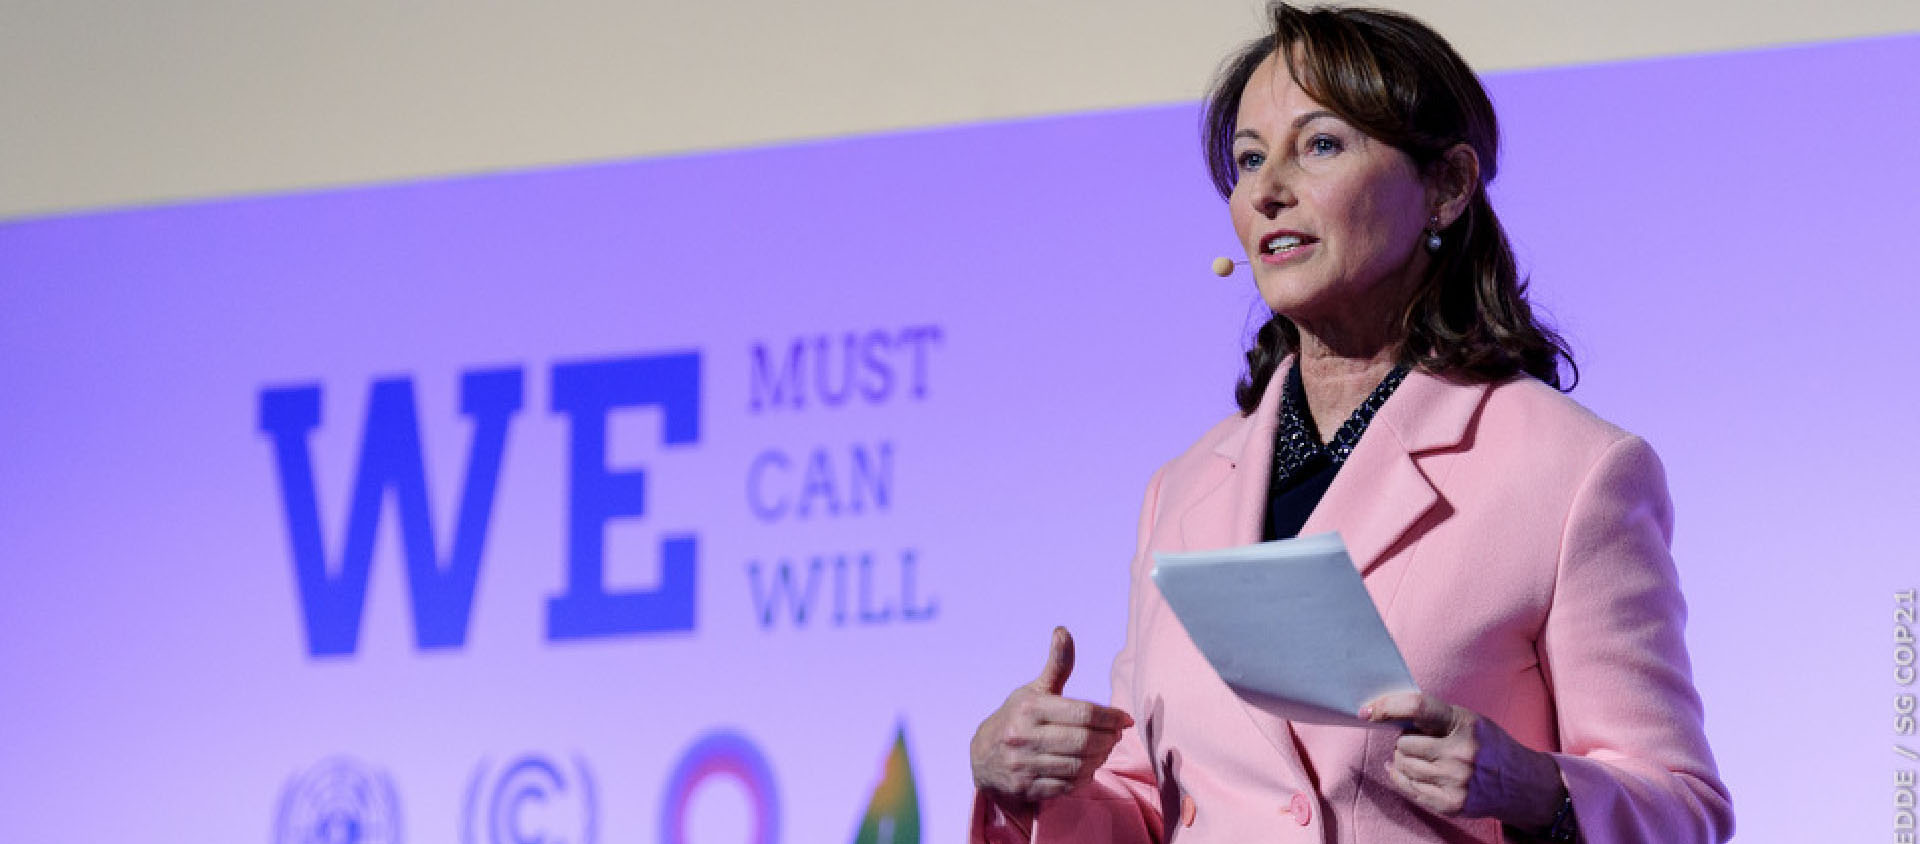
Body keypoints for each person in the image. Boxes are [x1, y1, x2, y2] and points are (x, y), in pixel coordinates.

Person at [966, 4, 1735, 842]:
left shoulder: (1573, 471)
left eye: (1320, 145)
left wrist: (1534, 788)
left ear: (1445, 186)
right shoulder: (1183, 489)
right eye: (1249, 159)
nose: (1266, 190)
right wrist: (1029, 781)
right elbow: (1152, 803)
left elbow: (1682, 808)